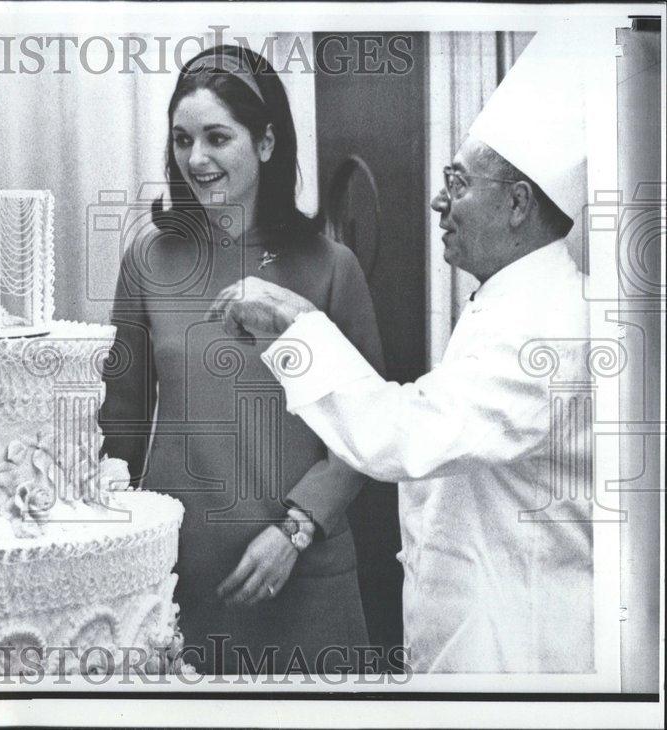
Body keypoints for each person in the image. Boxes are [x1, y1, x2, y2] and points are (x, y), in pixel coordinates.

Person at [207, 29, 606, 672]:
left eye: (458, 182)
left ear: (518, 204)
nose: (437, 200)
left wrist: (299, 328)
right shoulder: (511, 300)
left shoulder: (551, 327)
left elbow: (403, 434)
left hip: (521, 649)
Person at [99, 45, 389, 674]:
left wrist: (296, 529)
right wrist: (113, 511)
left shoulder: (331, 266)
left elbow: (372, 427)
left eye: (216, 137)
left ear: (265, 143)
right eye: (182, 139)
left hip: (305, 576)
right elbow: (118, 421)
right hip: (179, 578)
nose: (195, 158)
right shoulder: (149, 260)